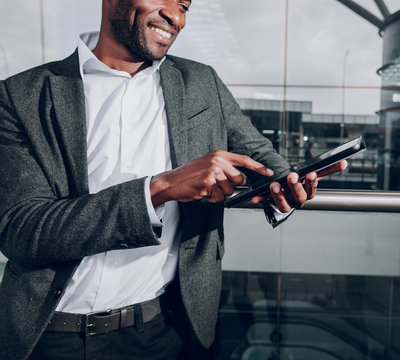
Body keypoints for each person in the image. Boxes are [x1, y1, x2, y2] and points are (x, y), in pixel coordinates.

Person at [0, 0, 347, 359]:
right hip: (53, 337)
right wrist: (159, 189)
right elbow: (21, 232)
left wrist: (286, 184)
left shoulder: (200, 82)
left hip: (166, 332)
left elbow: (260, 157)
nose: (176, 17)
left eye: (184, 5)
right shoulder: (21, 97)